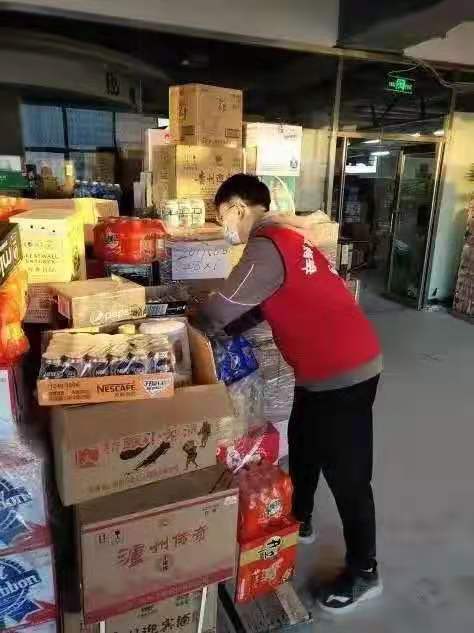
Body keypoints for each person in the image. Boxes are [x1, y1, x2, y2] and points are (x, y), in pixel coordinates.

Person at [196, 174, 383, 614]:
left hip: (344, 372)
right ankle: (300, 517)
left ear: (238, 208)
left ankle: (365, 571)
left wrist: (194, 326)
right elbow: (262, 305)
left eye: (222, 217)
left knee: (348, 476)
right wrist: (224, 333)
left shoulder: (266, 246)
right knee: (302, 445)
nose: (225, 227)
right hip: (322, 371)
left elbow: (222, 307)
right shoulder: (288, 241)